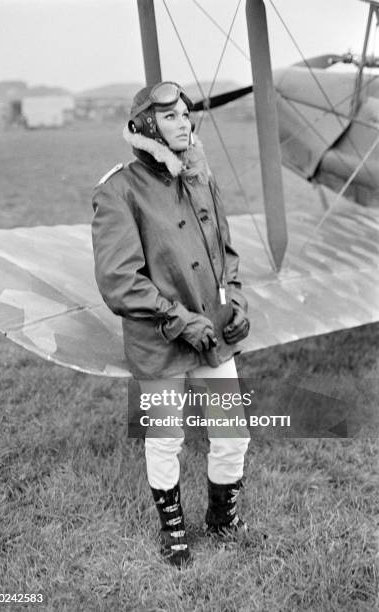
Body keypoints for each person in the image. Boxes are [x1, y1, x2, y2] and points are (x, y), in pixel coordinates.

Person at [91, 82, 251, 568]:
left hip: (211, 334)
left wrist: (236, 301)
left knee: (234, 432)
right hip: (160, 338)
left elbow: (226, 254)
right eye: (172, 117)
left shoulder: (201, 177)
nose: (185, 122)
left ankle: (223, 521)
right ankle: (173, 530)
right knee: (165, 436)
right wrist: (179, 321)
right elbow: (119, 280)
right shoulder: (117, 189)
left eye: (186, 114)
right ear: (145, 128)